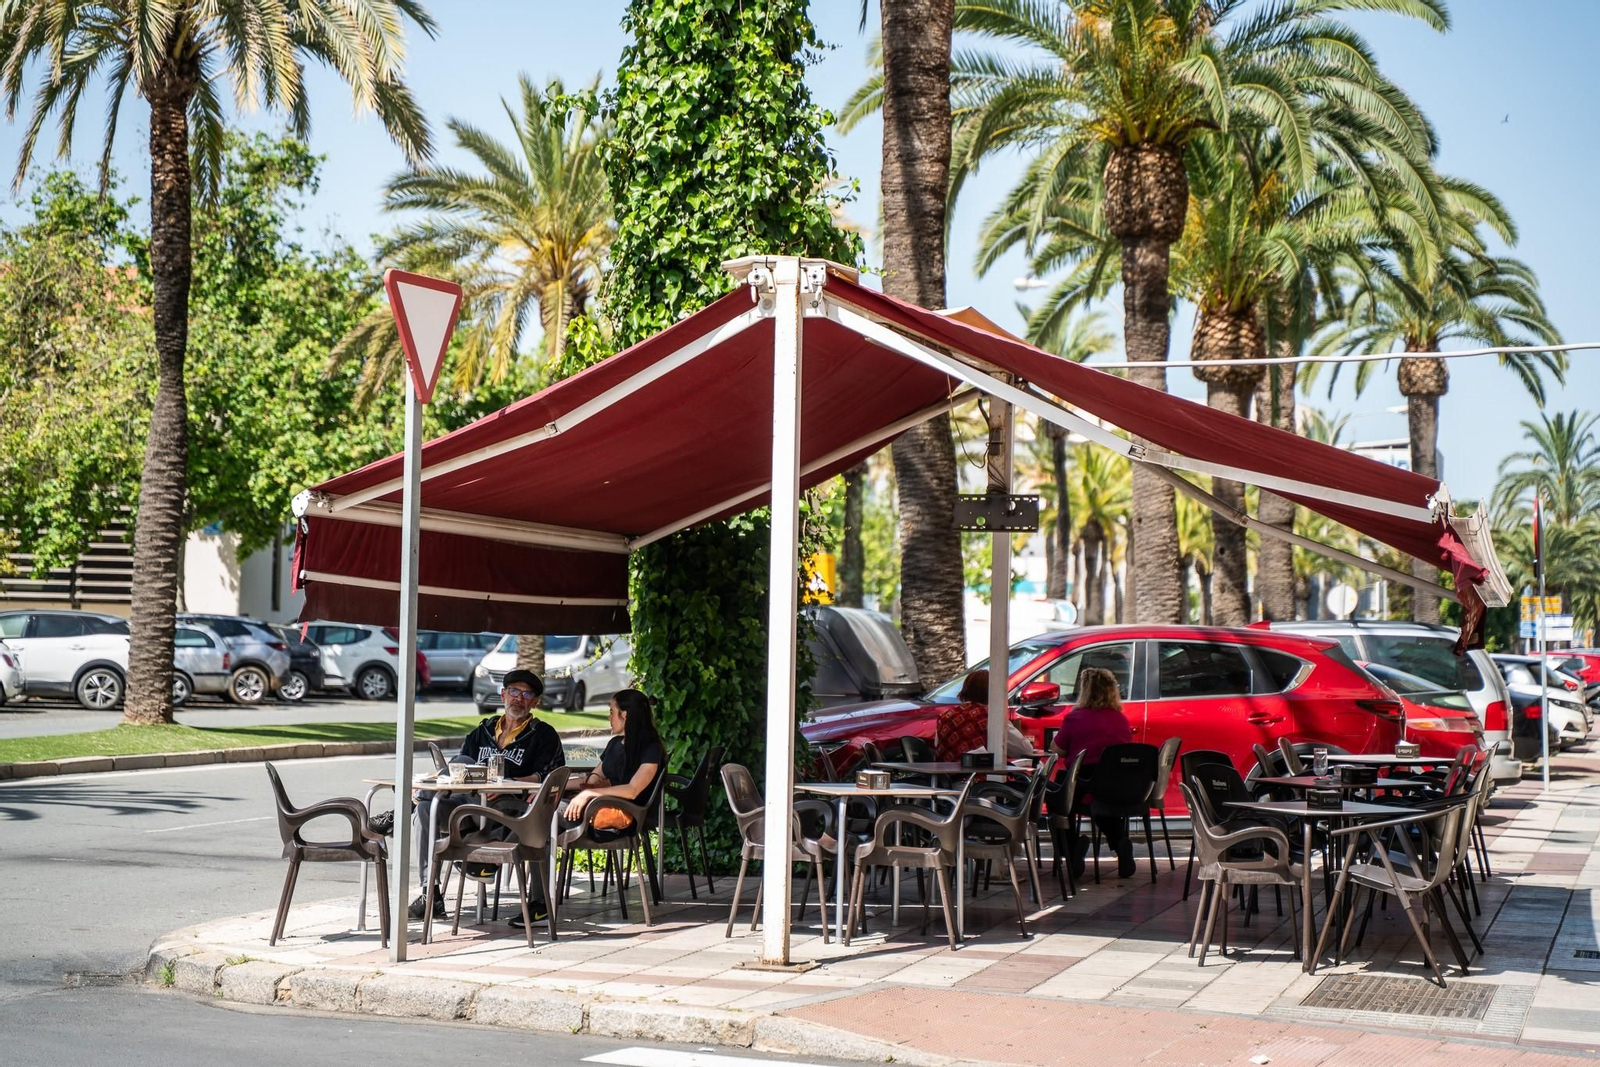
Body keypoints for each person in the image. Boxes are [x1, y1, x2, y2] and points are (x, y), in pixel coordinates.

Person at [408, 668, 565, 921]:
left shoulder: (543, 735)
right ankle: (431, 894)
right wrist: (438, 778)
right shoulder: (484, 730)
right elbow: (458, 767)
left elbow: (547, 775)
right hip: (468, 806)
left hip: (507, 809)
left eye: (526, 694)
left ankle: (410, 804)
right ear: (503, 695)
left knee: (446, 780)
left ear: (535, 702)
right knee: (426, 811)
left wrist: (504, 783)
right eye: (514, 691)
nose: (519, 698)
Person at [1048, 666, 1136, 878]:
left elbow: (1056, 749)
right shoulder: (1120, 719)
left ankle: (1071, 848)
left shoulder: (1076, 718)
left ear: (1085, 691)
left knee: (1058, 797)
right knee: (1101, 806)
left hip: (1082, 782)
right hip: (1117, 786)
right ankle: (1120, 842)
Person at [933, 669, 1034, 763]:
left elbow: (938, 745)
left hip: (944, 774)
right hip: (978, 774)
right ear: (993, 692)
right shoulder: (992, 715)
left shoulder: (945, 715)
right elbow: (1025, 749)